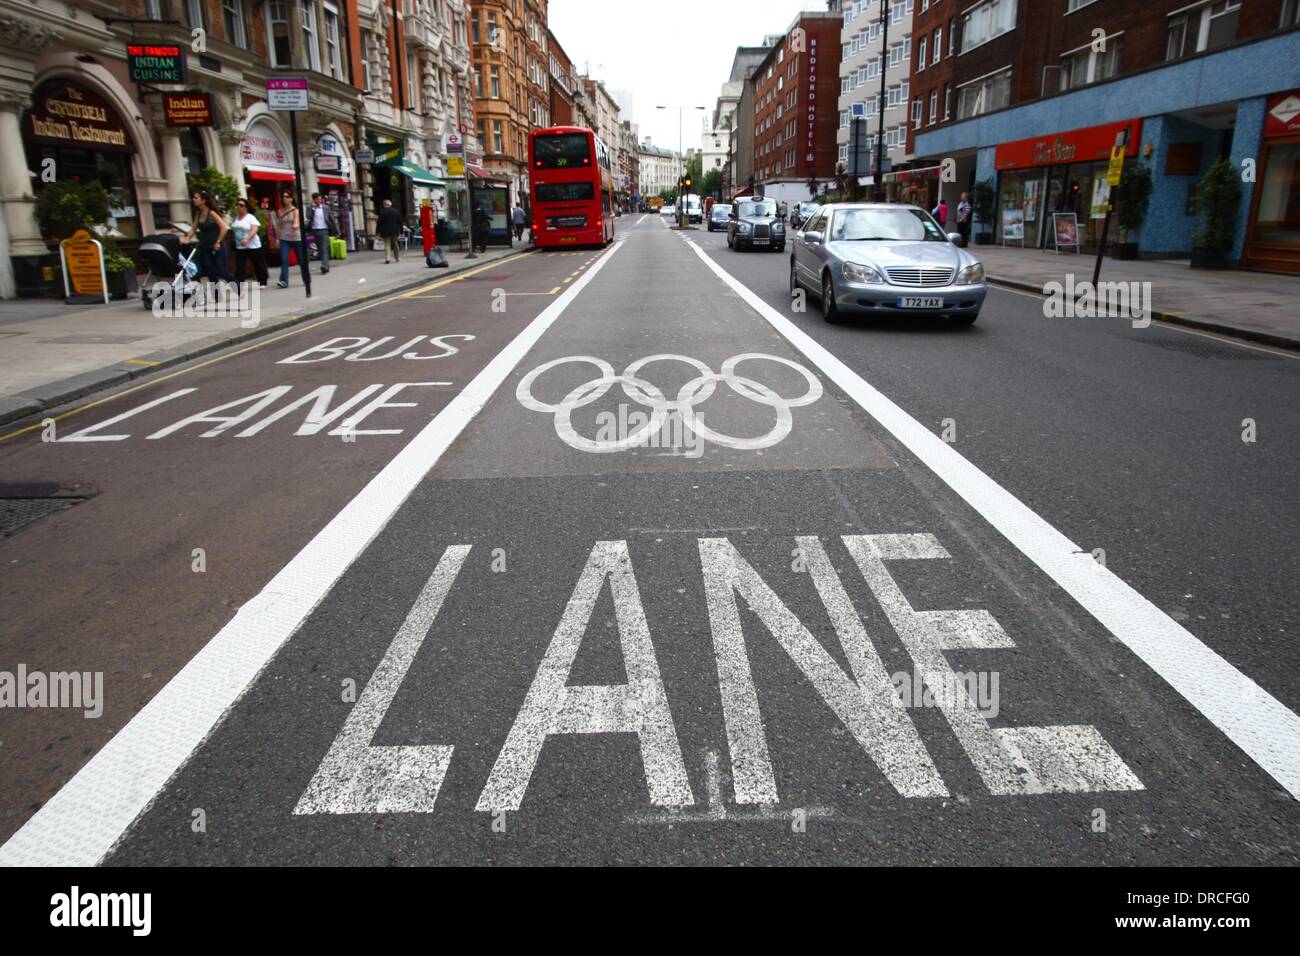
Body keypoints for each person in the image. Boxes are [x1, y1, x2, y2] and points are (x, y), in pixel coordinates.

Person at [184, 190, 234, 297]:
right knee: (210, 272)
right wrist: (188, 238)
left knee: (222, 271)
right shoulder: (198, 214)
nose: (194, 200)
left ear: (204, 200)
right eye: (194, 198)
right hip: (205, 247)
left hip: (217, 246)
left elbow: (224, 228)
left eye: (196, 198)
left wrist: (218, 242)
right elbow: (193, 228)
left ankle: (237, 289)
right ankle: (217, 296)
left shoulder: (212, 213)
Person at [230, 198, 267, 291]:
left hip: (253, 245)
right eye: (237, 205)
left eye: (241, 205)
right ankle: (239, 284)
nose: (239, 207)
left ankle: (262, 282)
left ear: (246, 207)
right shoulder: (236, 218)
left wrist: (247, 239)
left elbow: (254, 229)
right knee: (239, 265)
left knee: (258, 264)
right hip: (240, 246)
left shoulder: (250, 217)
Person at [276, 191, 304, 288]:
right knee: (284, 260)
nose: (285, 198)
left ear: (291, 199)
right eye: (283, 197)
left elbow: (297, 221)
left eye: (287, 196)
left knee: (301, 260)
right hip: (284, 239)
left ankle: (306, 279)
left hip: (296, 239)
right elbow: (279, 225)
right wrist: (277, 239)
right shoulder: (280, 211)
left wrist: (296, 225)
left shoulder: (296, 210)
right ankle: (284, 281)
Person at [308, 193, 338, 273]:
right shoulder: (310, 208)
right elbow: (308, 217)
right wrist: (313, 209)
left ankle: (324, 266)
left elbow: (332, 219)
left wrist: (337, 230)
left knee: (324, 248)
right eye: (317, 199)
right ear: (314, 200)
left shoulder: (326, 208)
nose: (319, 201)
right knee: (320, 249)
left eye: (320, 199)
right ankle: (326, 264)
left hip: (324, 230)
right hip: (315, 230)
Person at [377, 199, 403, 264]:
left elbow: (379, 223)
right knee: (395, 244)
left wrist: (377, 232)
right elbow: (400, 222)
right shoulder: (396, 211)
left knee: (387, 245)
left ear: (384, 205)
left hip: (385, 231)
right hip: (394, 231)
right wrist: (401, 231)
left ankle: (387, 258)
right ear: (390, 205)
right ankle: (397, 257)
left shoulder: (382, 212)